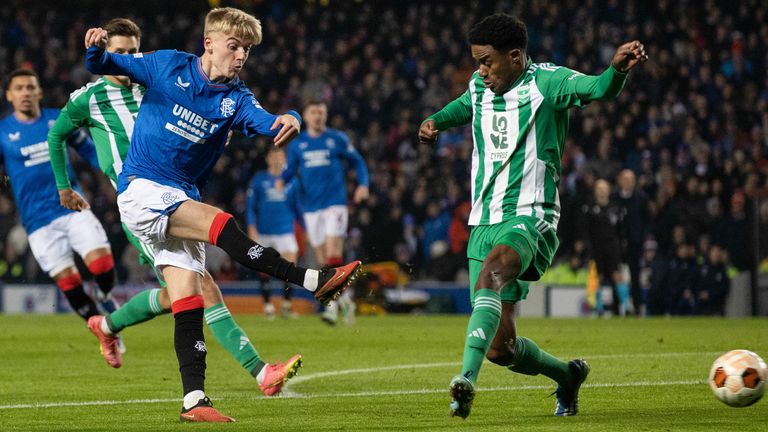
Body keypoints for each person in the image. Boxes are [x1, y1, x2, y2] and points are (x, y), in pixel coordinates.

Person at [81, 7, 361, 422]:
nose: (242, 55)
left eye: (247, 49)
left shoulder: (236, 98)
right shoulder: (167, 64)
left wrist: (292, 117)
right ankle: (311, 280)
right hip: (142, 190)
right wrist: (94, 49)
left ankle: (193, 400)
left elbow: (268, 122)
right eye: (235, 46)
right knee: (221, 224)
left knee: (189, 301)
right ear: (209, 43)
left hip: (178, 195)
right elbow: (106, 63)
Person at [48, 17, 299, 398]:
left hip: (175, 194)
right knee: (202, 288)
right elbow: (57, 134)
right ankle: (260, 372)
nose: (129, 58)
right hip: (141, 202)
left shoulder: (154, 82)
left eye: (134, 50)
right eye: (121, 53)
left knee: (180, 294)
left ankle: (108, 326)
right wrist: (65, 187)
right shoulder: (90, 97)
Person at [418, 13, 647, 419]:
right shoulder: (479, 85)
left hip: (530, 216)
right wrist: (436, 120)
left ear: (515, 55)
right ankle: (567, 375)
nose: (480, 70)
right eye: (477, 61)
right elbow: (464, 105)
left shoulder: (547, 82)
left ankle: (464, 381)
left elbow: (596, 89)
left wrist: (615, 71)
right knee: (500, 347)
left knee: (492, 273)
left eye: (487, 61)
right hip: (483, 221)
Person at [0, 69, 118, 325]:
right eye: (19, 88)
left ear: (39, 92)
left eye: (30, 87)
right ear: (9, 95)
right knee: (71, 285)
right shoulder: (3, 132)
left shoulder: (58, 119)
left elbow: (88, 149)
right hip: (37, 221)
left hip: (73, 208)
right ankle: (104, 330)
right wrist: (7, 186)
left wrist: (114, 172)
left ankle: (103, 292)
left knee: (102, 266)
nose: (25, 93)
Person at [282, 101, 369, 325]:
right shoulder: (297, 144)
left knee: (333, 252)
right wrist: (281, 182)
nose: (318, 116)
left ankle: (331, 306)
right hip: (311, 208)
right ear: (305, 116)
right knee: (323, 261)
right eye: (314, 112)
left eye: (322, 112)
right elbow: (289, 172)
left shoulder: (336, 138)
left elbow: (357, 161)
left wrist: (363, 184)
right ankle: (346, 299)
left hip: (335, 203)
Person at [246, 147, 302, 319]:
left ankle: (286, 305)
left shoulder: (292, 181)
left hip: (285, 230)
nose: (277, 160)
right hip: (264, 231)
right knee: (264, 269)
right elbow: (250, 206)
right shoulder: (259, 179)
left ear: (285, 159)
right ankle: (268, 305)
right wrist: (251, 226)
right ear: (268, 158)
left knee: (290, 268)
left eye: (280, 156)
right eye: (274, 156)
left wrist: (304, 229)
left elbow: (297, 206)